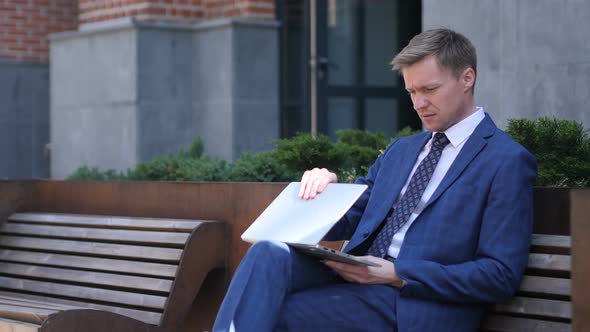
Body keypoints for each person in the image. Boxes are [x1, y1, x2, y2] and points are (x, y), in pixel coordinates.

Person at [212, 28, 537, 332]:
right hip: (354, 277)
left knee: (270, 315)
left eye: (429, 89)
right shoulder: (402, 150)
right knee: (267, 253)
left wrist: (398, 275)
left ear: (467, 78)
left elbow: (500, 275)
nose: (418, 104)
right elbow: (356, 214)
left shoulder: (506, 161)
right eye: (411, 91)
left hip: (412, 303)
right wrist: (324, 191)